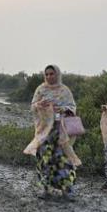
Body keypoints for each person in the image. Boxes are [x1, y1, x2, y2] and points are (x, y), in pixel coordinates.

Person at [23, 65, 82, 200]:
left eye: (52, 74)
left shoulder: (64, 90)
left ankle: (67, 190)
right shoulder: (40, 89)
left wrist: (62, 109)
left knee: (63, 159)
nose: (49, 77)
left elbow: (72, 107)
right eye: (47, 74)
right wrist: (39, 105)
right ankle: (46, 190)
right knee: (45, 159)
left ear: (57, 75)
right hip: (44, 131)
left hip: (60, 130)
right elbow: (32, 107)